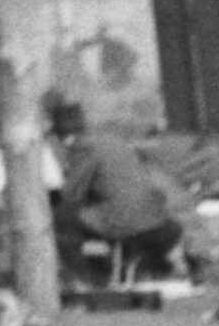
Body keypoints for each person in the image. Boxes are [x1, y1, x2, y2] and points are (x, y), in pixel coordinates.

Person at [45, 99, 183, 282]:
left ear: (61, 135)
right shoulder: (111, 141)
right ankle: (113, 270)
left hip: (125, 221)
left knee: (61, 220)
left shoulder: (83, 147)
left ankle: (83, 279)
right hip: (155, 216)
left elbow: (71, 195)